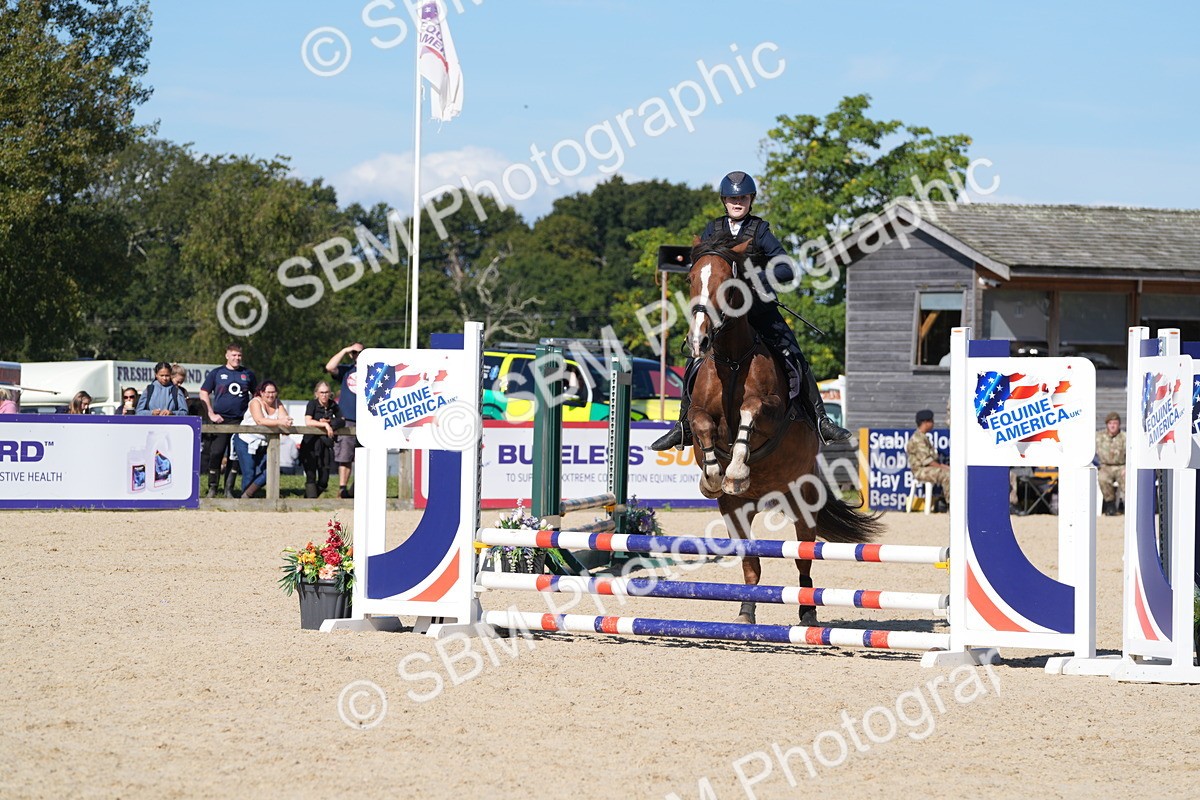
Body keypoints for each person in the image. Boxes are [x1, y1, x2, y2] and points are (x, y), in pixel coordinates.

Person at [651, 170, 851, 451]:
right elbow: (703, 266)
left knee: (793, 354)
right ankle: (683, 425)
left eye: (742, 198)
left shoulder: (760, 231)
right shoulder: (713, 229)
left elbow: (784, 267)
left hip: (756, 308)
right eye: (732, 198)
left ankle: (821, 421)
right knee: (695, 357)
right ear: (724, 200)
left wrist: (755, 281)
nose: (737, 202)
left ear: (750, 200)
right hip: (721, 315)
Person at [199, 344, 258, 498]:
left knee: (235, 455)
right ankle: (213, 488)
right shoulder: (217, 373)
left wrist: (255, 416)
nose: (236, 358)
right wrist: (211, 413)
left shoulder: (248, 374)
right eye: (233, 355)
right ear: (226, 355)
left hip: (240, 422)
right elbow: (204, 392)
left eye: (239, 355)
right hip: (220, 420)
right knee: (216, 453)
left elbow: (258, 396)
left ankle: (228, 489)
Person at [232, 381, 293, 498]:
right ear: (261, 392)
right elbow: (260, 420)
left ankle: (247, 495)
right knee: (249, 473)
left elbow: (284, 418)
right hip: (246, 440)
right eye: (268, 392)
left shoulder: (277, 403)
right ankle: (246, 500)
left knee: (270, 471)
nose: (271, 395)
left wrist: (287, 421)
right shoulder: (255, 402)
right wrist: (280, 422)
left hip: (265, 442)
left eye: (273, 392)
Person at [325, 343, 362, 499]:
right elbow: (330, 367)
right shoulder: (347, 370)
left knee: (364, 457)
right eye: (354, 353)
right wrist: (345, 350)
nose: (357, 355)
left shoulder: (375, 370)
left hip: (367, 420)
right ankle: (342, 489)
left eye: (360, 352)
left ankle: (358, 488)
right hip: (347, 418)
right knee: (345, 456)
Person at [301, 381, 341, 498]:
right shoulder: (312, 404)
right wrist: (323, 425)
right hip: (310, 444)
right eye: (322, 392)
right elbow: (308, 421)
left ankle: (307, 498)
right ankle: (310, 501)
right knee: (311, 475)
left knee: (324, 480)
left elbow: (342, 419)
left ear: (330, 393)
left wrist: (331, 422)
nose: (324, 395)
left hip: (325, 445)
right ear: (317, 393)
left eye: (326, 392)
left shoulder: (333, 405)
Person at [906, 409, 951, 509]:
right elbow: (927, 461)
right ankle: (950, 504)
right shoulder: (918, 439)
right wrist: (944, 468)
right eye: (931, 421)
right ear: (925, 423)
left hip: (926, 469)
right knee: (947, 475)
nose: (933, 423)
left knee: (950, 472)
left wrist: (945, 467)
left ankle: (942, 501)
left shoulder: (923, 437)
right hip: (920, 471)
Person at [1096, 411, 1126, 516]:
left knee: (1128, 479)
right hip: (1105, 466)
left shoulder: (1124, 437)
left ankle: (1127, 506)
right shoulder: (1099, 437)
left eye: (1115, 423)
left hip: (1121, 466)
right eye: (1110, 423)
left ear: (1119, 424)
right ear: (1107, 425)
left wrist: (1127, 467)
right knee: (1102, 479)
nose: (1113, 426)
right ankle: (1110, 506)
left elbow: (1131, 453)